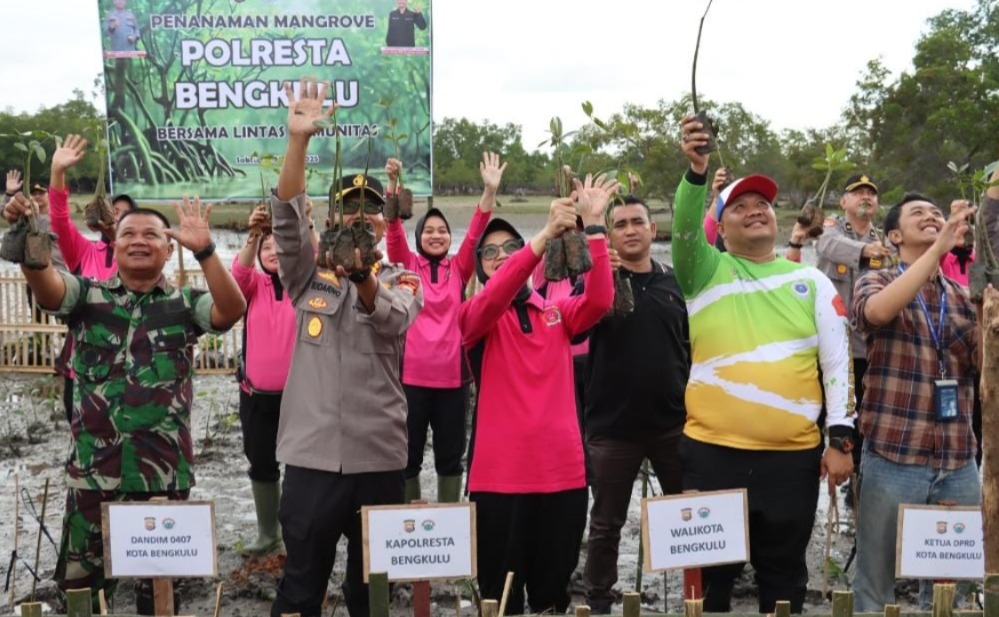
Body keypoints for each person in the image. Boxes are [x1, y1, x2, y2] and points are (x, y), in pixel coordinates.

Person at [2, 188, 245, 612]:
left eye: (151, 234)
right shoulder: (87, 298)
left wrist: (206, 250)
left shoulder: (184, 306)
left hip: (163, 482)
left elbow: (232, 309)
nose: (138, 240)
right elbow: (48, 291)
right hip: (93, 479)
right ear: (114, 245)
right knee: (82, 593)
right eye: (128, 232)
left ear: (169, 250)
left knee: (161, 595)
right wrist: (30, 242)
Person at [674, 116, 855, 614]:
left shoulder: (811, 282)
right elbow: (685, 229)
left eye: (763, 205)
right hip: (712, 453)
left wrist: (840, 439)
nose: (755, 211)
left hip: (791, 460)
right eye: (740, 206)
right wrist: (695, 174)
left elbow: (838, 364)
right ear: (722, 221)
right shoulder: (704, 272)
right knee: (710, 583)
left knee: (784, 577)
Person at [268, 80, 422, 617]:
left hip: (378, 459)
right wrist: (299, 143)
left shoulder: (403, 278)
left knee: (372, 593)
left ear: (384, 222)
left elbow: (391, 321)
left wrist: (362, 279)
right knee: (300, 586)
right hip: (310, 460)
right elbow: (287, 218)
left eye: (371, 210)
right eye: (349, 207)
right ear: (333, 219)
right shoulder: (308, 276)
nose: (360, 216)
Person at [461, 174, 617, 614]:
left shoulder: (555, 313)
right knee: (500, 597)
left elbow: (601, 299)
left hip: (562, 477)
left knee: (552, 596)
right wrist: (544, 234)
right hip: (499, 481)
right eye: (488, 252)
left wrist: (596, 224)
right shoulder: (476, 319)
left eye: (509, 248)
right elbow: (494, 297)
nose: (500, 256)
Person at [852, 194, 981, 612]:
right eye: (918, 214)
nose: (932, 217)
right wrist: (941, 247)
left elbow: (982, 366)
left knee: (952, 586)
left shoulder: (963, 298)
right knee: (875, 584)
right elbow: (877, 312)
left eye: (938, 214)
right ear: (893, 236)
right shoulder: (875, 280)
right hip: (893, 455)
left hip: (958, 460)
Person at [582, 194, 690, 614]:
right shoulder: (598, 280)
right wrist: (595, 275)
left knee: (688, 512)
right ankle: (598, 602)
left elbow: (689, 346)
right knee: (606, 524)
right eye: (621, 223)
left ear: (653, 230)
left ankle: (696, 595)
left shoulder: (674, 281)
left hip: (673, 425)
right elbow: (577, 323)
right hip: (612, 427)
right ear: (610, 234)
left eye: (637, 222)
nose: (629, 229)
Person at [385, 152, 500, 503]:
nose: (436, 236)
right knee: (408, 456)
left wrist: (489, 191)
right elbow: (392, 232)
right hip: (411, 381)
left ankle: (450, 521)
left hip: (453, 380)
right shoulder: (408, 265)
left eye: (443, 231)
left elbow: (477, 230)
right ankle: (414, 521)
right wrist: (393, 185)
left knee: (450, 458)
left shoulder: (459, 268)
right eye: (429, 231)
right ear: (420, 237)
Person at [3, 136, 136, 425]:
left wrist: (119, 237)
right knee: (85, 451)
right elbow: (60, 218)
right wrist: (58, 172)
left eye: (126, 215)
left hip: (133, 377)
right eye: (114, 211)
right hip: (83, 375)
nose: (117, 218)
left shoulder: (144, 260)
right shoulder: (85, 252)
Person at [815, 174, 893, 497]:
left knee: (868, 423)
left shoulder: (886, 239)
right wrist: (865, 250)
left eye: (870, 193)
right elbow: (825, 244)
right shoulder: (832, 232)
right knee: (825, 420)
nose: (865, 197)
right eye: (857, 192)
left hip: (873, 351)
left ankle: (857, 495)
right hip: (835, 351)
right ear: (843, 202)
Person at [230, 206, 297, 555]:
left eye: (279, 244)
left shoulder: (302, 284)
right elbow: (238, 272)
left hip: (299, 397)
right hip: (256, 395)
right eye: (266, 247)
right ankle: (268, 534)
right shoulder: (250, 286)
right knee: (261, 463)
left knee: (301, 466)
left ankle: (297, 533)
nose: (273, 251)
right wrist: (254, 233)